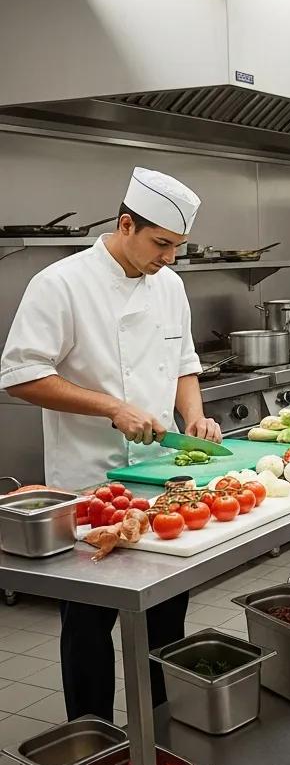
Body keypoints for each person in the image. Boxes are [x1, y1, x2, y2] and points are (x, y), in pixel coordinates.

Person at [0, 167, 222, 721]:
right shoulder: (60, 283)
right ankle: (92, 741)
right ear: (126, 225)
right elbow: (21, 375)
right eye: (161, 243)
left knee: (167, 616)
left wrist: (192, 417)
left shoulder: (170, 285)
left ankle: (160, 728)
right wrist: (111, 407)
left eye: (178, 246)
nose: (170, 257)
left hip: (160, 481)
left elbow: (184, 364)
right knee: (89, 622)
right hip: (90, 484)